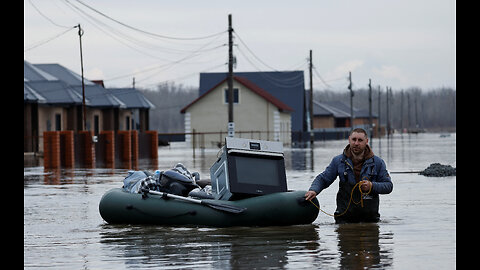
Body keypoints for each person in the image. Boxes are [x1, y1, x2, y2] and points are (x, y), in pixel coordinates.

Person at [305, 128, 393, 223]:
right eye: (354, 139)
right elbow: (323, 179)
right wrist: (313, 190)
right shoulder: (338, 161)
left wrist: (372, 186)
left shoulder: (378, 163)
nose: (356, 143)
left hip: (370, 220)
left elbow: (388, 186)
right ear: (349, 139)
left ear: (366, 141)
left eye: (360, 140)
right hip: (344, 219)